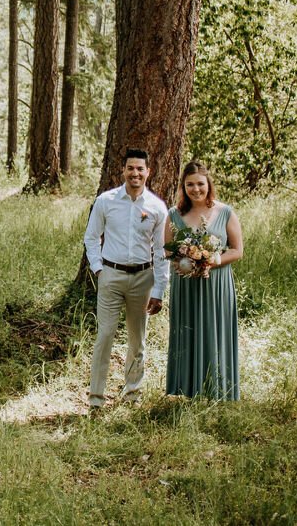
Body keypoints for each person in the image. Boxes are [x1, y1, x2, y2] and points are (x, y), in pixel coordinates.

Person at [82, 148, 170, 408]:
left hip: (143, 278)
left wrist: (159, 291)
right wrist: (99, 269)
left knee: (137, 339)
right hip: (111, 275)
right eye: (130, 168)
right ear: (123, 170)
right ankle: (96, 398)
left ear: (148, 172)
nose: (135, 173)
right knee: (105, 335)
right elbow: (91, 237)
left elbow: (162, 251)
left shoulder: (156, 206)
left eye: (140, 169)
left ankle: (132, 394)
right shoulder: (106, 201)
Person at [165, 160, 243, 400]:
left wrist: (210, 260)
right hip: (186, 285)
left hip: (216, 285)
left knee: (214, 331)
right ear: (183, 187)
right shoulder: (174, 214)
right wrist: (186, 258)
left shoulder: (225, 212)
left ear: (208, 184)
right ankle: (188, 390)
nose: (195, 189)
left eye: (200, 184)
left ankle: (219, 390)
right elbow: (167, 251)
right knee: (188, 331)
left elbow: (237, 250)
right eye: (190, 185)